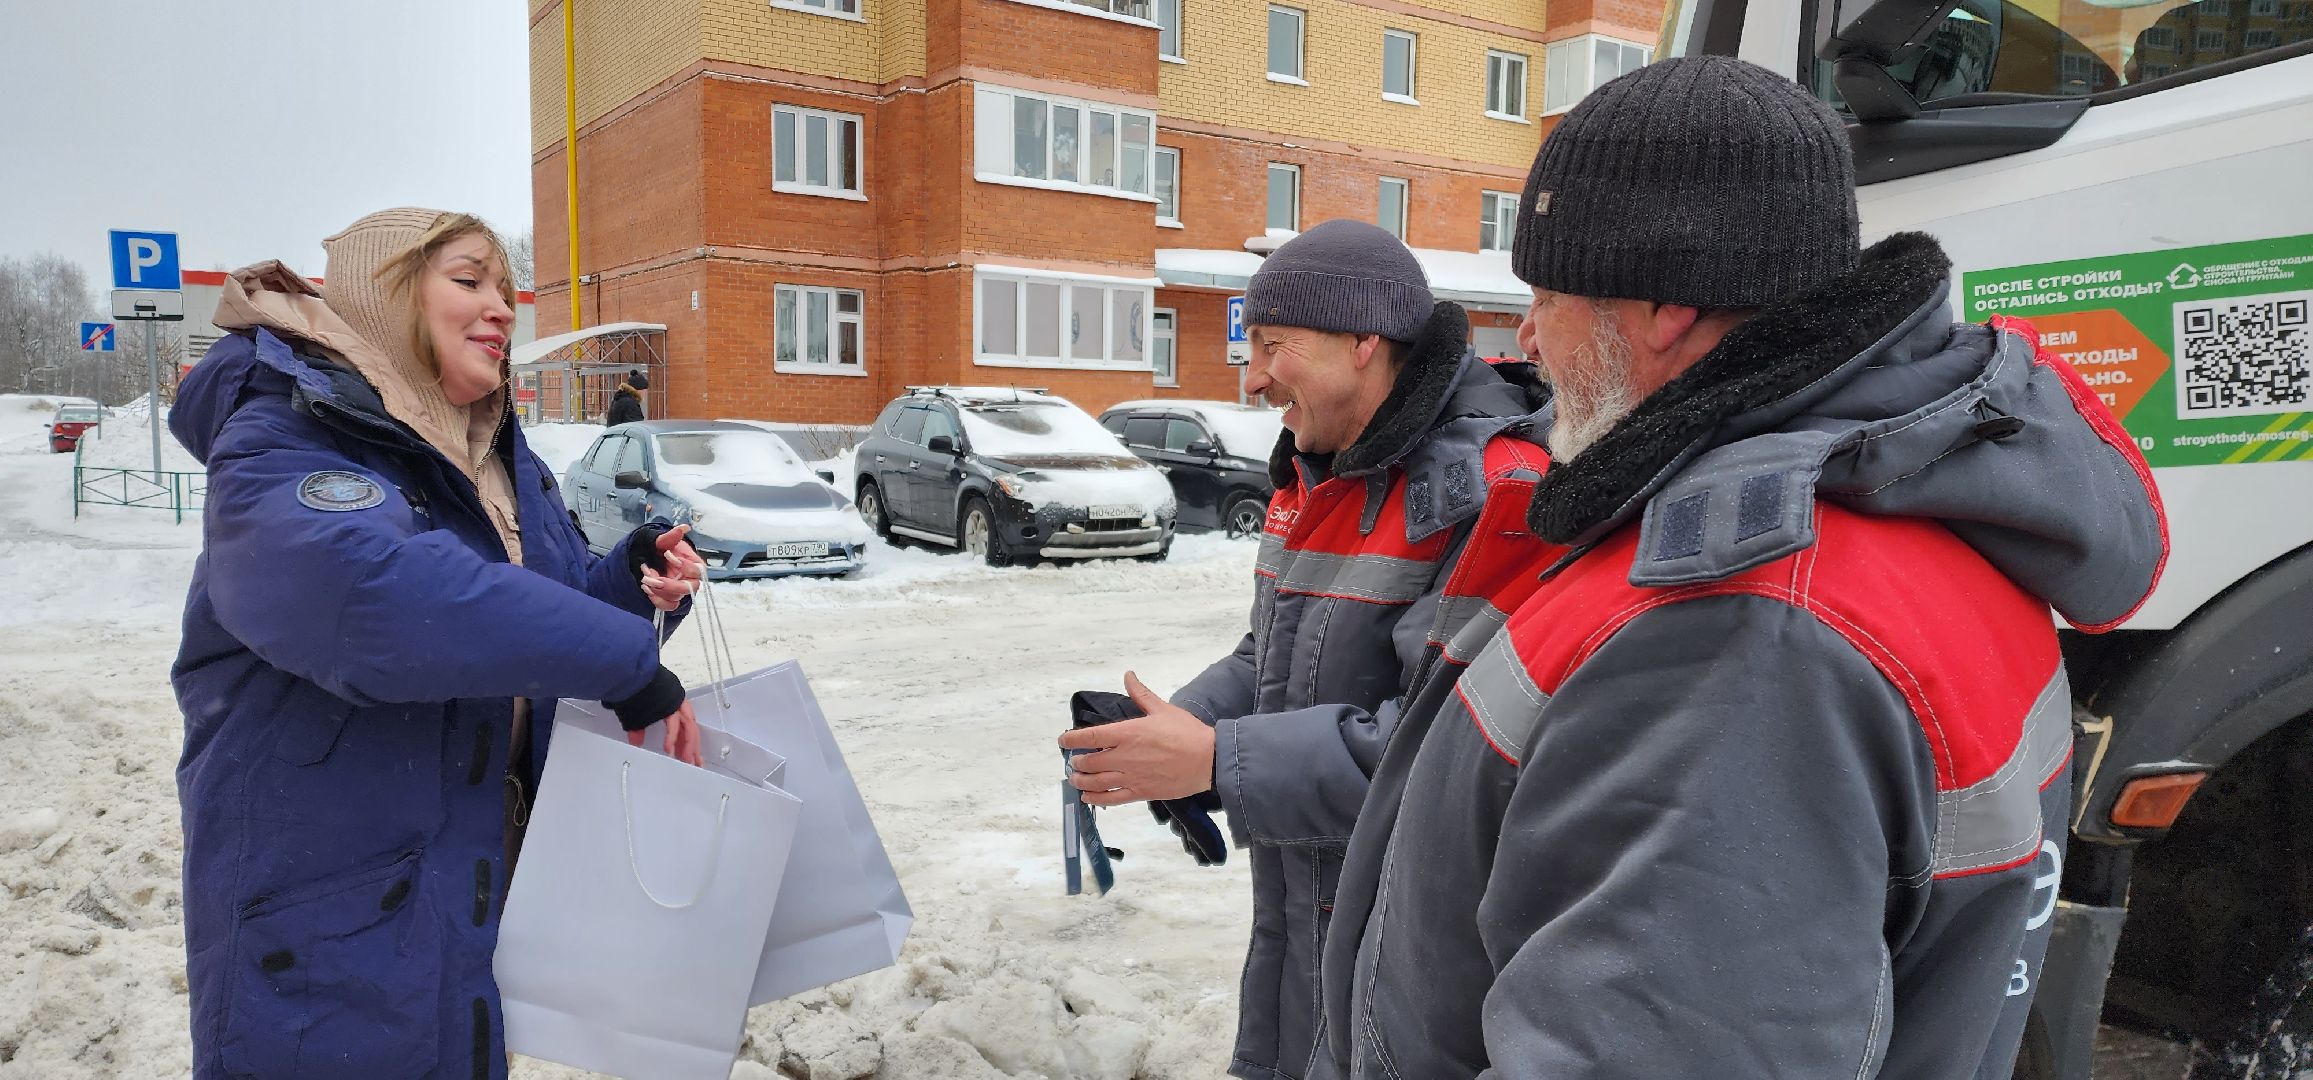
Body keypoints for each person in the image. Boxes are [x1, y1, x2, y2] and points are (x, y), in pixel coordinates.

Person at [1308, 57, 2170, 1079]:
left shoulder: (1738, 634)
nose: (1528, 338)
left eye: (1548, 295)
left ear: (1669, 307)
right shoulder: (1915, 502)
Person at [170, 208, 712, 1080]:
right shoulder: (283, 436)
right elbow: (370, 600)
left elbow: (535, 617)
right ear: (384, 300)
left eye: (503, 287)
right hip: (327, 919)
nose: (500, 307)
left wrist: (630, 591)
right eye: (468, 281)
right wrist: (624, 661)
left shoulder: (496, 457)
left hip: (464, 886)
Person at [1058, 219, 1551, 1080]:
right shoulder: (1319, 472)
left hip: (1411, 955)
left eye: (1275, 346)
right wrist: (1169, 729)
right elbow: (1270, 655)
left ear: (1365, 341)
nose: (1251, 381)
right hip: (1304, 921)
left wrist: (1218, 762)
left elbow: (1449, 755)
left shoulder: (1494, 490)